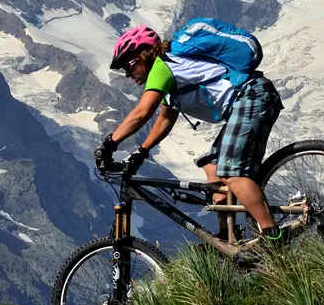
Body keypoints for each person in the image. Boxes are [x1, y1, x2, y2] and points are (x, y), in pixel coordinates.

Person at [94, 24, 287, 250]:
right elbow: (165, 119)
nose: (129, 75)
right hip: (248, 101)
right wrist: (142, 152)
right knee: (212, 166)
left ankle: (273, 238)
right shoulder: (172, 75)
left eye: (129, 66)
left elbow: (142, 113)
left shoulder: (162, 66)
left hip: (252, 96)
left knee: (233, 173)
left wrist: (109, 144)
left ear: (142, 54)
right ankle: (228, 239)